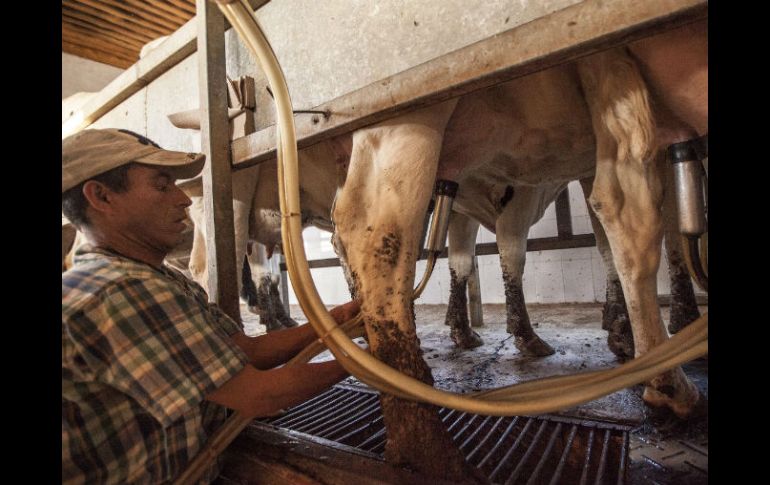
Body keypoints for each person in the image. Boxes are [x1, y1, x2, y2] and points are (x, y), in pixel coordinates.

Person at [62, 128, 360, 484]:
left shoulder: (155, 276)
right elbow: (263, 394)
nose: (183, 199)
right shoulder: (119, 289)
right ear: (102, 197)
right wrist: (369, 359)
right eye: (161, 185)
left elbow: (243, 350)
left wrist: (336, 319)